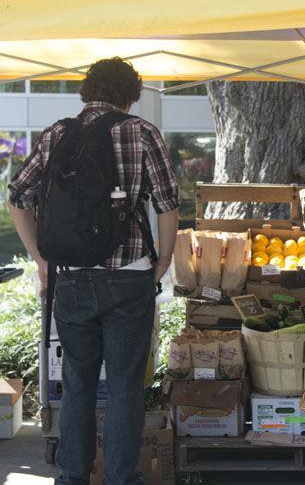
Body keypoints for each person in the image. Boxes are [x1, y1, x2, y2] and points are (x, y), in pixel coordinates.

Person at [7, 57, 179, 485]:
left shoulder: (56, 135)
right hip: (129, 277)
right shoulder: (142, 134)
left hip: (71, 279)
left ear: (87, 91)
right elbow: (167, 205)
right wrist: (162, 262)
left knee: (78, 383)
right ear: (130, 94)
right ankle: (120, 479)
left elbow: (17, 199)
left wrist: (41, 261)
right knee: (124, 386)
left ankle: (71, 478)